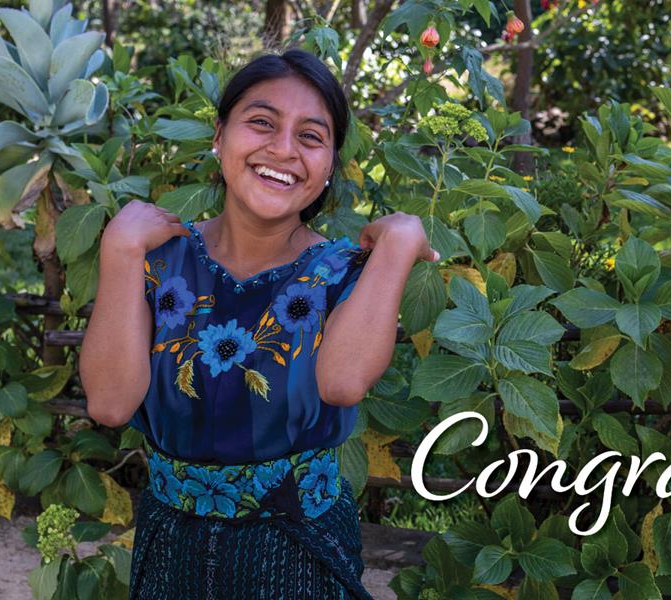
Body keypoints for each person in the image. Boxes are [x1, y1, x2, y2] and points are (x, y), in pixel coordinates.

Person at [80, 48, 439, 599]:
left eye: (311, 137)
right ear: (220, 137)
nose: (283, 149)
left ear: (328, 170)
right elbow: (108, 403)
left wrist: (398, 244)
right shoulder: (157, 261)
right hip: (169, 549)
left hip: (298, 554)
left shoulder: (343, 274)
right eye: (262, 123)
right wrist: (119, 247)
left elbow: (342, 381)